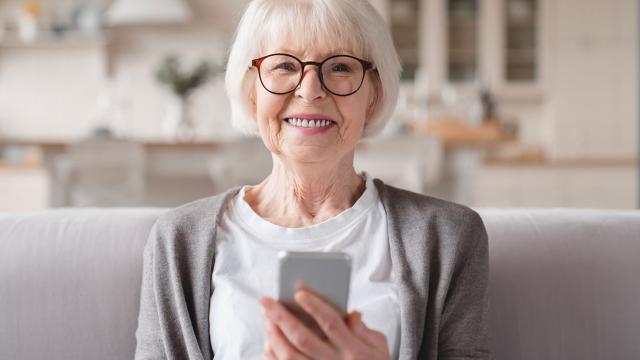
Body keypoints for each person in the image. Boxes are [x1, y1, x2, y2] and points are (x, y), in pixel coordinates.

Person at [134, 0, 491, 359]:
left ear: (373, 96)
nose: (310, 90)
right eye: (285, 65)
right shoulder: (178, 240)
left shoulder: (449, 237)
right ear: (252, 93)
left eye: (339, 66)